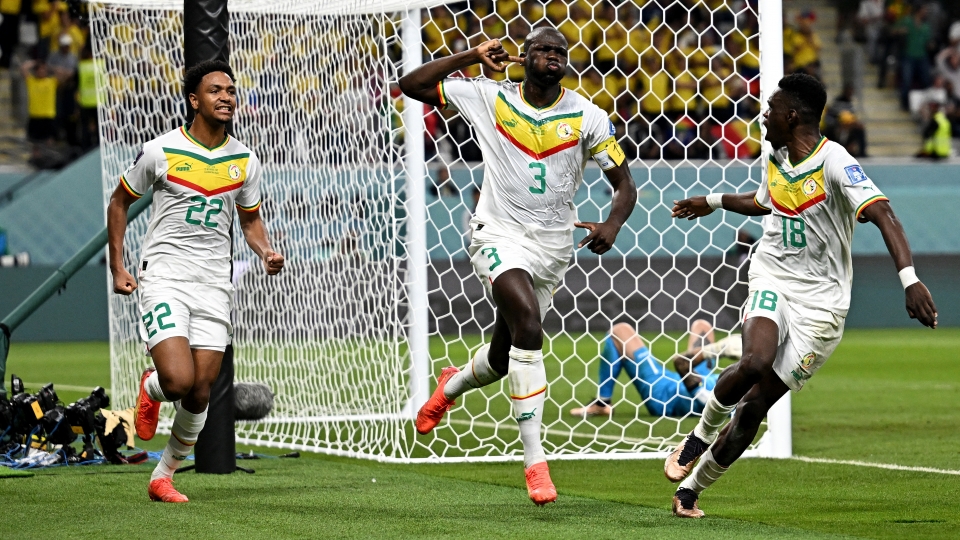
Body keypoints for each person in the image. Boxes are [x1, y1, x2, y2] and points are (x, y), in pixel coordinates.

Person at [665, 73, 938, 518]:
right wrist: (711, 202)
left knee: (754, 407)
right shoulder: (776, 155)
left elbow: (884, 214)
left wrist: (910, 280)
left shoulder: (836, 163)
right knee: (753, 361)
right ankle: (697, 438)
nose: (763, 116)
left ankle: (691, 490)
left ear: (792, 116)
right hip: (773, 275)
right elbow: (765, 200)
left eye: (770, 109)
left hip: (823, 306)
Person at [398, 28, 636, 505]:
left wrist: (612, 224)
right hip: (497, 234)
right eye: (543, 49)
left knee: (503, 357)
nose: (553, 56)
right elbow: (412, 85)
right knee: (528, 324)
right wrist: (470, 55)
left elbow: (624, 185)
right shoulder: (490, 96)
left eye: (561, 51)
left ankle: (450, 385)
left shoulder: (588, 116)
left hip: (553, 247)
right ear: (522, 58)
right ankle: (535, 463)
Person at [106, 60, 284, 503]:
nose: (226, 97)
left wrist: (265, 251)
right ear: (194, 100)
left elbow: (250, 221)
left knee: (201, 390)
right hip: (165, 275)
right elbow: (119, 202)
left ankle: (162, 477)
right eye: (215, 90)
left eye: (231, 90)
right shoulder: (160, 151)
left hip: (213, 284)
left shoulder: (244, 160)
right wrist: (117, 265)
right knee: (178, 380)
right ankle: (152, 387)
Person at [569, 320, 742, 418]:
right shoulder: (752, 379)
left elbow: (681, 364)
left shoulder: (741, 405)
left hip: (668, 394)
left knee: (619, 331)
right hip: (697, 377)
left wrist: (719, 349)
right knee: (703, 326)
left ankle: (602, 403)